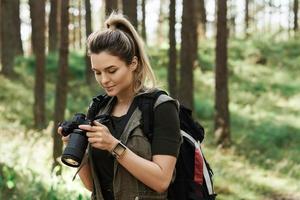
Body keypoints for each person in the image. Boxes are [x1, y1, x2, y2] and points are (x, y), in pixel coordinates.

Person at [58, 13, 181, 200]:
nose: (104, 80)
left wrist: (113, 145)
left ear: (133, 63)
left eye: (111, 70)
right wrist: (76, 149)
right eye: (97, 72)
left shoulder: (161, 107)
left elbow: (161, 181)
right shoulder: (99, 108)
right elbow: (93, 185)